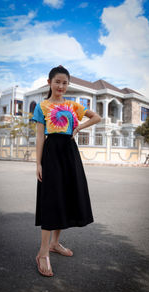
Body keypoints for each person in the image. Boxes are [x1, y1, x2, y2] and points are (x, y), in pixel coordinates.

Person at [32, 65, 101, 277]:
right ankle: (43, 253)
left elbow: (96, 117)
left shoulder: (73, 105)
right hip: (52, 153)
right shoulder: (42, 106)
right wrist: (38, 163)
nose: (61, 86)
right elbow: (40, 136)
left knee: (65, 197)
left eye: (64, 82)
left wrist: (78, 128)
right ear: (49, 82)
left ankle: (55, 244)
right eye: (57, 82)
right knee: (51, 199)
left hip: (70, 154)